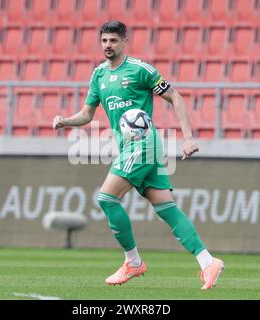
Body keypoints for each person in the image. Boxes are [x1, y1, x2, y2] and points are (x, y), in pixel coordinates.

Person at [52, 21, 224, 289]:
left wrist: (188, 138)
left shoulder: (140, 70)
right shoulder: (98, 76)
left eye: (113, 41)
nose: (108, 45)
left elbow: (175, 97)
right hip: (131, 148)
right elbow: (87, 114)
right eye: (104, 41)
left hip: (144, 145)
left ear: (124, 42)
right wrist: (66, 121)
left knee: (107, 198)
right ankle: (208, 262)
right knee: (166, 208)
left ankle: (133, 261)